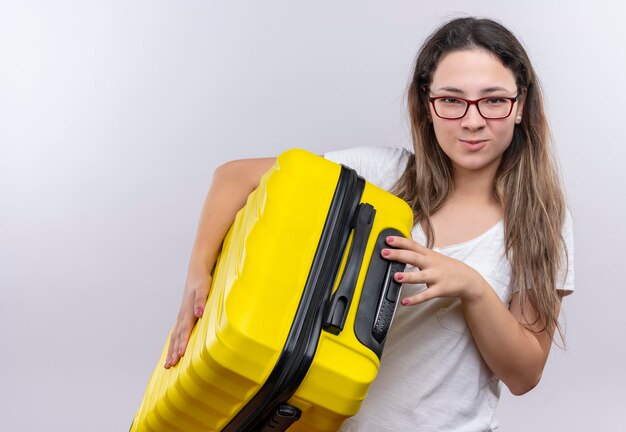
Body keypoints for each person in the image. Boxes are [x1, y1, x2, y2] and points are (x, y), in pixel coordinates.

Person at [162, 16, 574, 431]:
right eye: (451, 100)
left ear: (520, 105)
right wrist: (199, 272)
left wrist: (472, 287)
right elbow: (235, 176)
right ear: (426, 106)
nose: (472, 120)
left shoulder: (540, 221)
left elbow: (524, 374)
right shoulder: (382, 176)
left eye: (493, 100)